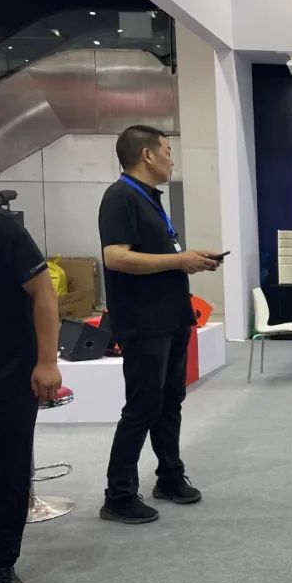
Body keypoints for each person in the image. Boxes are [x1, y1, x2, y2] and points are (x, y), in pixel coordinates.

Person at [97, 125, 221, 525]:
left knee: (170, 402)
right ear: (147, 155)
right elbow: (116, 257)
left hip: (171, 318)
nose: (172, 159)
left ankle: (169, 475)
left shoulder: (149, 198)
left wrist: (188, 258)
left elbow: (157, 254)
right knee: (142, 407)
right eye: (168, 150)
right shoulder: (120, 197)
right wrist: (179, 260)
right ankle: (118, 495)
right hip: (143, 322)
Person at [0, 212, 62, 583]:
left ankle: (2, 562)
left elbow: (43, 293)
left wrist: (47, 361)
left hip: (10, 369)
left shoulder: (5, 229)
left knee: (8, 468)